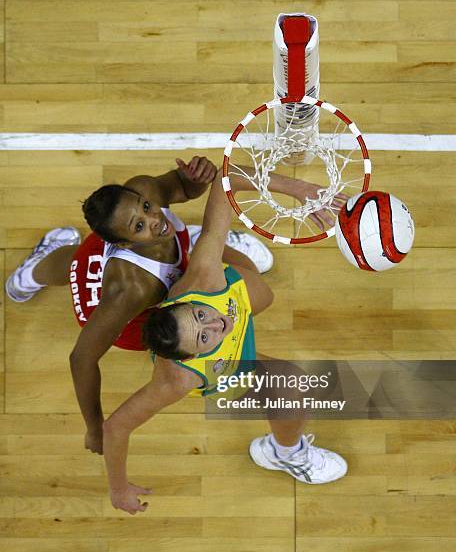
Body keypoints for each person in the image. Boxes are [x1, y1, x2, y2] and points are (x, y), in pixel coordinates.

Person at [102, 167, 348, 515]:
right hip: (226, 368)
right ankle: (284, 452)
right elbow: (115, 427)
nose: (217, 323)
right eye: (204, 337)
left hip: (226, 290)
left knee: (261, 290)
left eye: (201, 315)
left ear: (191, 300)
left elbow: (226, 176)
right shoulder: (178, 379)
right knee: (291, 387)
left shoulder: (205, 277)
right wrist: (118, 490)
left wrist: (299, 188)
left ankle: (212, 239)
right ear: (190, 356)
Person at [5, 156, 275, 454]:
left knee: (83, 254)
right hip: (125, 313)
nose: (155, 219)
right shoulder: (130, 291)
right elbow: (81, 359)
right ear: (124, 243)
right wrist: (95, 429)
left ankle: (203, 241)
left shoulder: (144, 193)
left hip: (141, 255)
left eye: (146, 208)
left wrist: (197, 178)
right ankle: (25, 278)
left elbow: (184, 188)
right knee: (80, 267)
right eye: (140, 225)